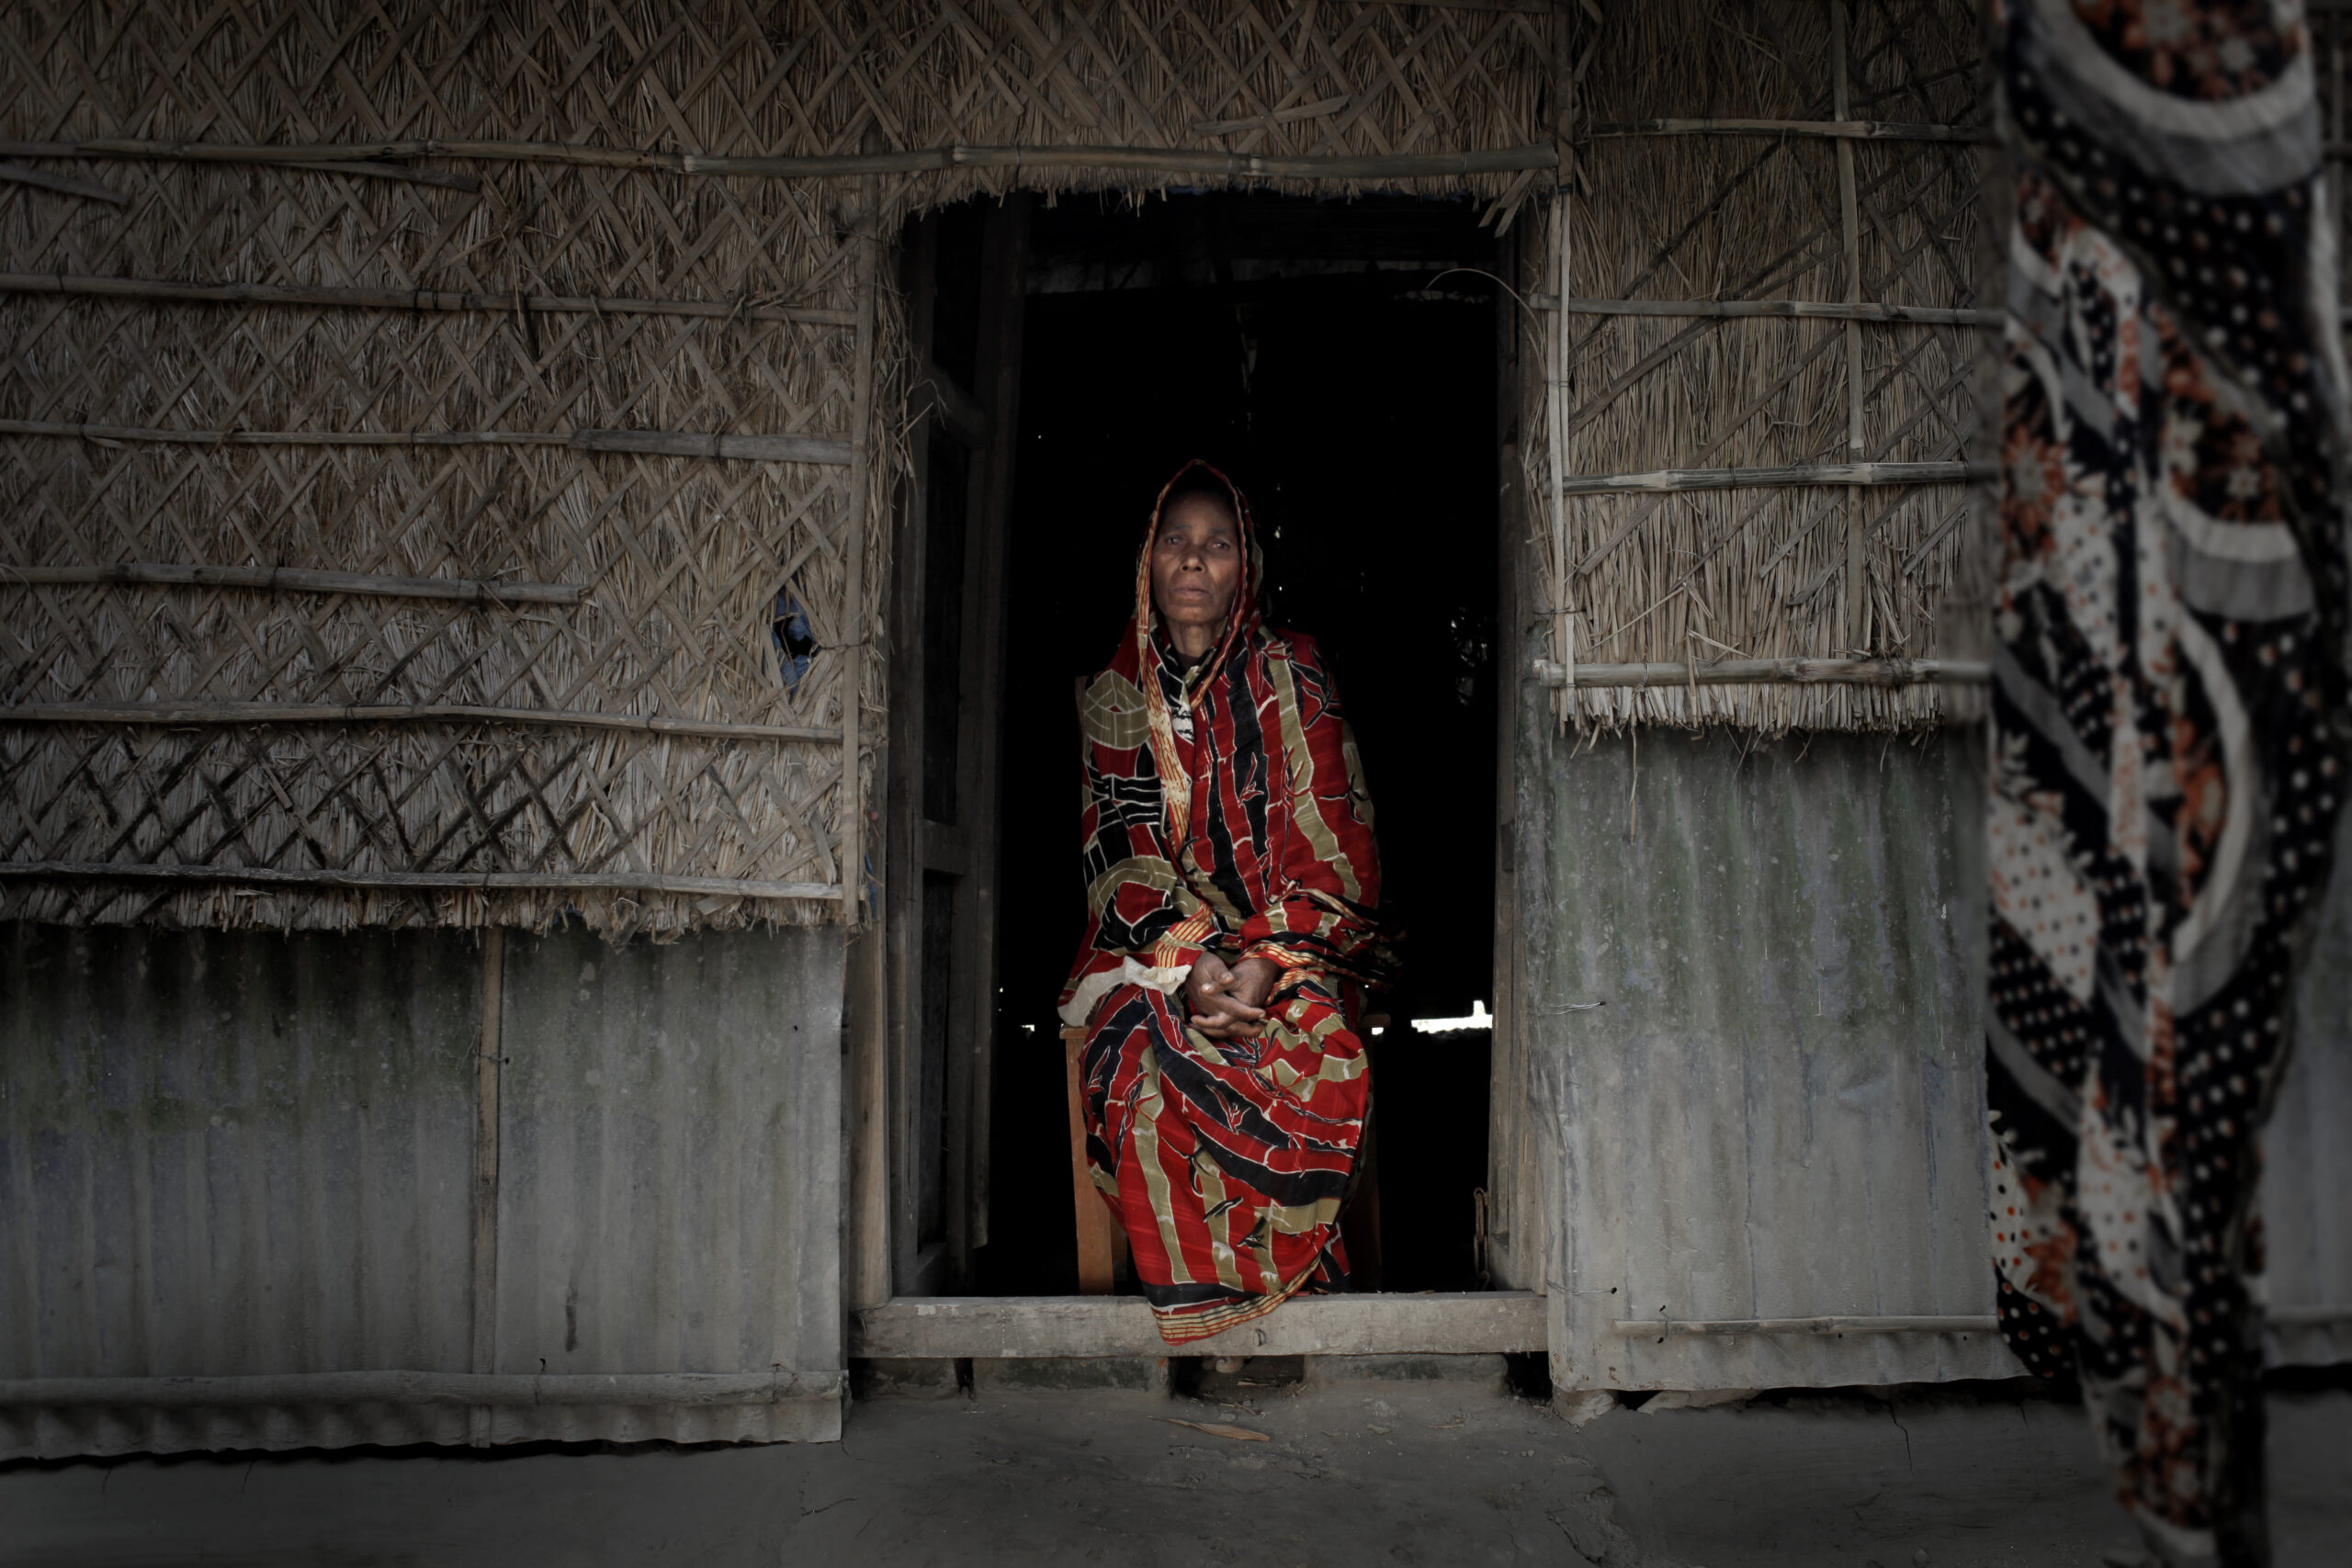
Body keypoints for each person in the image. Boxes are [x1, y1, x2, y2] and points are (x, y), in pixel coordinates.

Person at [1057, 459, 1394, 1345]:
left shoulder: (1296, 674)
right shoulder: (1115, 700)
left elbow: (1335, 851)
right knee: (1138, 1045)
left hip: (1289, 945)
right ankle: (1243, 1307)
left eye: (1216, 545)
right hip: (1164, 953)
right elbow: (1118, 856)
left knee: (1308, 1039)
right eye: (1177, 542)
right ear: (1149, 563)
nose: (1195, 562)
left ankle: (1276, 1307)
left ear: (1245, 567)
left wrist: (1257, 960)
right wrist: (1196, 956)